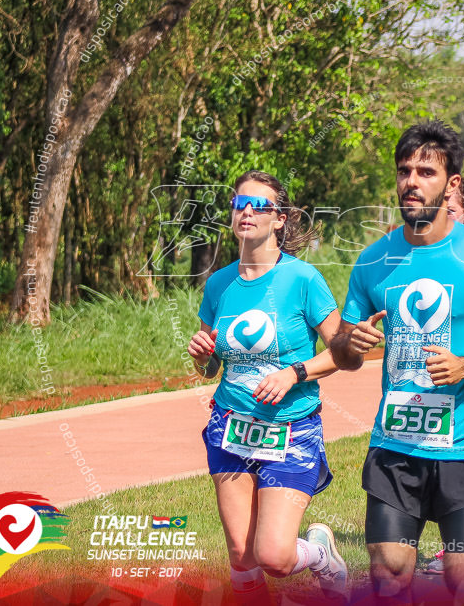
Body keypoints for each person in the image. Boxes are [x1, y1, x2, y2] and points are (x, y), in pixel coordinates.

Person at [329, 120, 464, 604]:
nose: (412, 182)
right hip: (395, 446)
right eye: (405, 171)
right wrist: (349, 342)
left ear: (452, 184)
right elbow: (343, 357)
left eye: (426, 171)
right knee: (388, 575)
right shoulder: (373, 260)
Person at [187, 170, 347, 604]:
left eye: (260, 205)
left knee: (273, 556)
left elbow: (343, 353)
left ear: (280, 219)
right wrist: (204, 358)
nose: (248, 212)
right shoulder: (219, 284)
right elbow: (211, 367)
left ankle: (320, 556)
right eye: (241, 204)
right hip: (231, 427)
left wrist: (294, 373)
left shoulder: (303, 280)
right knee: (242, 555)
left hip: (291, 429)